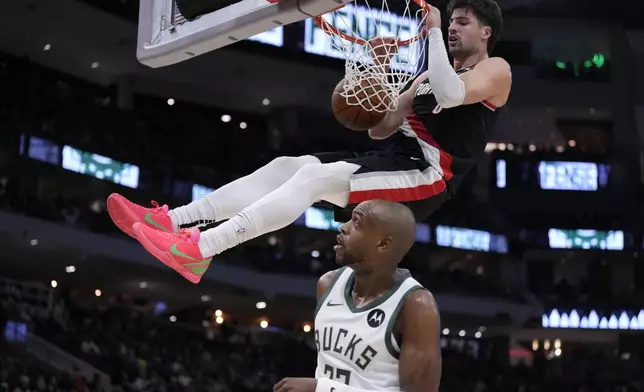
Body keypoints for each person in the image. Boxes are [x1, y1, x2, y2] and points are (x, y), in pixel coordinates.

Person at [106, 0, 510, 284]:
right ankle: (171, 221)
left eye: (464, 22)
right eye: (452, 21)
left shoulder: (496, 70)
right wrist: (379, 71)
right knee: (289, 166)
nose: (454, 27)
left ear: (486, 33)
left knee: (315, 178)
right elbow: (380, 129)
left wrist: (436, 31)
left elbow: (452, 94)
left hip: (429, 176)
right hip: (394, 156)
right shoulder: (424, 78)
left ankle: (201, 248)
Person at [274, 200, 441, 392]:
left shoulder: (416, 304)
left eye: (356, 223)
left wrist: (322, 389)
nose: (343, 227)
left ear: (382, 243)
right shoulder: (328, 284)